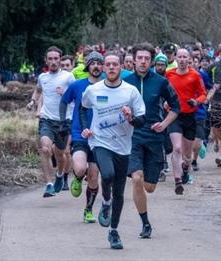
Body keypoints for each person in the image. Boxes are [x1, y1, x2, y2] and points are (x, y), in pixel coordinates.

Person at [79, 52, 145, 249]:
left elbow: (141, 121)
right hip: (100, 141)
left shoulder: (131, 91)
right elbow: (83, 108)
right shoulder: (93, 90)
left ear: (121, 67)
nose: (111, 67)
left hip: (124, 146)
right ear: (104, 68)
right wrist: (85, 127)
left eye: (115, 64)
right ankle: (105, 201)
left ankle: (113, 231)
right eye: (108, 64)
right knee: (106, 174)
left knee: (119, 192)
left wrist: (130, 117)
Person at [124, 42, 179, 238]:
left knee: (150, 187)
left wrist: (164, 124)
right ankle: (145, 223)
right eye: (139, 58)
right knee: (136, 179)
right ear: (133, 60)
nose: (143, 62)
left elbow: (176, 107)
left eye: (147, 59)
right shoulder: (125, 82)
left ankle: (153, 173)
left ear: (152, 61)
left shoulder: (161, 82)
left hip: (155, 136)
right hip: (133, 136)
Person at [59, 51, 103, 223]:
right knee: (80, 168)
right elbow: (64, 101)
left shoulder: (108, 86)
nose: (96, 66)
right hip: (80, 134)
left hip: (100, 137)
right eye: (93, 63)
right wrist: (63, 122)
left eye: (99, 63)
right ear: (87, 66)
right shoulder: (78, 85)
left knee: (93, 175)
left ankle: (88, 210)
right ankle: (77, 178)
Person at [27, 46, 75, 197]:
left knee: (59, 155)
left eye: (56, 59)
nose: (53, 62)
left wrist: (66, 93)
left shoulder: (68, 77)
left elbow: (77, 96)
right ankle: (48, 184)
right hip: (46, 119)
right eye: (50, 59)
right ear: (46, 60)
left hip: (63, 121)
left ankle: (60, 175)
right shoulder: (43, 77)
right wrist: (33, 101)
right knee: (45, 149)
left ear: (60, 60)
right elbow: (38, 90)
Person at [166, 48, 207, 194]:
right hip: (174, 115)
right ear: (175, 58)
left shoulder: (195, 75)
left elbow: (203, 94)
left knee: (187, 155)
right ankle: (177, 181)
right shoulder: (169, 74)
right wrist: (165, 101)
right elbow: (164, 91)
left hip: (190, 116)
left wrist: (196, 102)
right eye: (180, 57)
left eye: (185, 57)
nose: (182, 59)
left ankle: (185, 169)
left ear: (189, 59)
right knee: (177, 148)